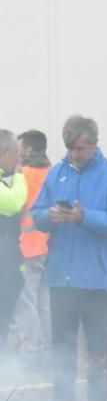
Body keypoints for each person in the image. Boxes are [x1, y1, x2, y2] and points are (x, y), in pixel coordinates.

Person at [30, 115, 107, 401]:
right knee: (62, 348)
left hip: (95, 281)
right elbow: (35, 214)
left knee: (98, 349)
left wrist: (84, 217)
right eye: (71, 148)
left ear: (94, 144)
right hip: (61, 278)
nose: (75, 153)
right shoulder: (56, 172)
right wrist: (48, 216)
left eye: (81, 148)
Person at [11, 129, 52, 361]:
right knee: (44, 301)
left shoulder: (22, 175)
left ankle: (31, 350)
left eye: (20, 148)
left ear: (27, 150)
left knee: (26, 301)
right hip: (47, 246)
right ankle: (49, 347)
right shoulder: (53, 172)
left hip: (26, 247)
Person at [0, 132, 26, 350]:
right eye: (17, 151)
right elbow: (12, 203)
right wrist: (19, 177)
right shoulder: (14, 182)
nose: (21, 157)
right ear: (5, 153)